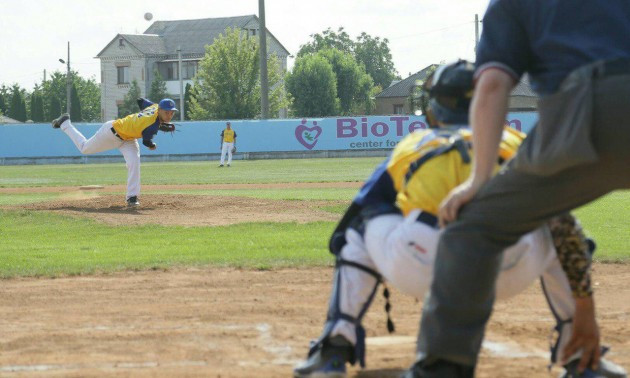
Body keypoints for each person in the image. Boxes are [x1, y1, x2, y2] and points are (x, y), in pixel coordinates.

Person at [293, 61, 626, 378]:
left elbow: (360, 209)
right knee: (553, 224)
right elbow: (567, 227)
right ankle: (583, 357)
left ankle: (335, 346)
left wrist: (351, 249)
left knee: (363, 225)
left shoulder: (414, 143)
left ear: (435, 106)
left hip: (420, 264)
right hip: (509, 265)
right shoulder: (517, 142)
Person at [411, 1, 630, 377]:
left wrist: (479, 179)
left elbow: (493, 84)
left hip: (590, 109)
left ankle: (442, 367)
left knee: (473, 226)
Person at [51, 98, 177, 207]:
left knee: (134, 162)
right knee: (84, 148)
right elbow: (147, 142)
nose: (169, 115)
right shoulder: (151, 125)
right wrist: (152, 144)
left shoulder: (153, 106)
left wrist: (140, 118)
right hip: (111, 133)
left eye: (172, 113)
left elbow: (140, 101)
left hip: (128, 138)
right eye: (167, 112)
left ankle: (132, 197)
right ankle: (65, 123)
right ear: (159, 110)